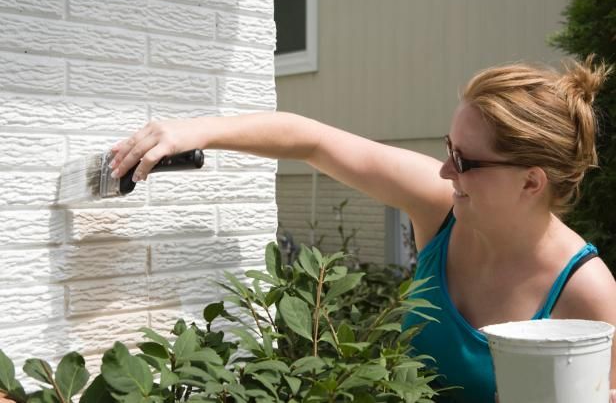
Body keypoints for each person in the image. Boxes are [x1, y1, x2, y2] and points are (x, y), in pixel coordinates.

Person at [109, 57, 616, 403]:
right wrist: (193, 131)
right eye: (447, 148)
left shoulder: (586, 293)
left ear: (531, 182)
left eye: (464, 161)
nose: (445, 171)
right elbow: (312, 142)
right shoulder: (442, 209)